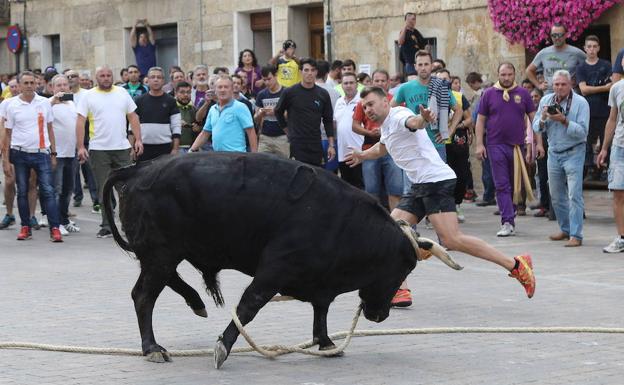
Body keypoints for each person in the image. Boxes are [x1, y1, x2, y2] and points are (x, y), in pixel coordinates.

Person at [346, 86, 536, 306]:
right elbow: (382, 148)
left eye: (371, 104)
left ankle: (516, 265)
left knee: (451, 239)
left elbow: (414, 123)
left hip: (436, 181)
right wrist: (362, 155)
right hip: (420, 184)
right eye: (364, 107)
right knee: (390, 232)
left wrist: (423, 119)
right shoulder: (387, 126)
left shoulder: (399, 115)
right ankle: (401, 289)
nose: (367, 109)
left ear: (385, 102)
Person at [76, 66, 143, 238]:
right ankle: (107, 225)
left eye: (108, 75)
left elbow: (133, 117)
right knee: (104, 189)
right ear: (96, 78)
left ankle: (128, 224)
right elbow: (80, 120)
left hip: (122, 148)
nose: (106, 78)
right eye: (102, 76)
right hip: (99, 149)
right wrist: (81, 147)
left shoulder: (122, 93)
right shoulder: (88, 95)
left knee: (127, 189)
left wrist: (138, 139)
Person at [476, 63, 537, 236]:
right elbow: (480, 121)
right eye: (503, 74)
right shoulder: (488, 94)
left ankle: (512, 211)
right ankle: (507, 221)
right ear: (498, 74)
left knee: (515, 183)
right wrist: (479, 144)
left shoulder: (523, 94)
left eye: (509, 74)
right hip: (495, 145)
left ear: (514, 74)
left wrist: (537, 143)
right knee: (502, 184)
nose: (506, 78)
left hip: (517, 146)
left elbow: (534, 119)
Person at [532, 70, 589, 247]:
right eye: (556, 84)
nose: (559, 87)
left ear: (570, 84)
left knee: (574, 195)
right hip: (554, 152)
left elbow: (583, 133)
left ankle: (576, 235)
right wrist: (542, 118)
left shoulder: (580, 103)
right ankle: (565, 229)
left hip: (574, 152)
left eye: (563, 84)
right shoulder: (546, 100)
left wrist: (564, 120)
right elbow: (535, 127)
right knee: (556, 195)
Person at [3, 71, 63, 242]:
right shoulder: (11, 105)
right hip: (19, 153)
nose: (29, 86)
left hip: (41, 153)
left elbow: (50, 129)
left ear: (37, 84)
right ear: (20, 85)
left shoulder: (44, 103)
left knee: (48, 191)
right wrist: (5, 160)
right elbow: (7, 134)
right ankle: (25, 227)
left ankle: (55, 229)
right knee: (22, 192)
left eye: (32, 83)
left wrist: (53, 154)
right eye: (26, 83)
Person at [391, 50, 462, 166]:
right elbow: (390, 109)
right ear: (415, 66)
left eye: (426, 64)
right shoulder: (405, 88)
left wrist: (450, 131)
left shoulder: (441, 87)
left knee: (439, 183)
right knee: (414, 184)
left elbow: (458, 110)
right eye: (420, 65)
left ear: (431, 65)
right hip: (414, 145)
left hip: (437, 145)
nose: (423, 68)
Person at [352, 69, 404, 210]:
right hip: (370, 147)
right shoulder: (362, 103)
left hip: (392, 150)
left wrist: (384, 131)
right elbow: (355, 125)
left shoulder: (395, 100)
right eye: (377, 80)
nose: (380, 83)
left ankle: (400, 227)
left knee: (396, 190)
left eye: (383, 80)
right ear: (371, 82)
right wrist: (369, 132)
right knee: (371, 192)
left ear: (388, 83)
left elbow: (404, 122)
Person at [275, 58, 335, 167]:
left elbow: (328, 120)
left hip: (316, 143)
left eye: (312, 70)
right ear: (300, 72)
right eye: (306, 70)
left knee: (317, 177)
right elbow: (278, 112)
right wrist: (287, 131)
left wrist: (331, 145)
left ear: (316, 72)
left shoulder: (323, 94)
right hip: (297, 144)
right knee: (299, 178)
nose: (309, 73)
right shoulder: (290, 92)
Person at [576, 35, 613, 181]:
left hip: (605, 109)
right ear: (584, 49)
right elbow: (583, 90)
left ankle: (605, 169)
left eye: (594, 46)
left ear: (598, 48)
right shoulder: (581, 67)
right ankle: (589, 170)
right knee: (586, 143)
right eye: (589, 46)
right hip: (587, 111)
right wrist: (603, 87)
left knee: (606, 141)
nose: (591, 49)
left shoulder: (606, 65)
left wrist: (603, 88)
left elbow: (612, 85)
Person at [189, 76, 257, 153]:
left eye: (226, 87)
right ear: (215, 90)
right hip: (218, 157)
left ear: (231, 89)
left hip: (237, 157)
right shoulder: (213, 109)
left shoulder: (240, 107)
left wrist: (254, 156)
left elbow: (251, 131)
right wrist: (191, 150)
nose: (223, 90)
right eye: (220, 87)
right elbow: (205, 133)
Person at [597, 63, 624, 253]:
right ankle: (622, 237)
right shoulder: (616, 88)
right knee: (618, 192)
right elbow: (613, 119)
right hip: (620, 147)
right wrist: (604, 148)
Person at [48, 74, 80, 235]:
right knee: (56, 190)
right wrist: (53, 100)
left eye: (64, 85)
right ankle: (55, 223)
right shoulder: (48, 104)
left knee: (68, 189)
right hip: (56, 154)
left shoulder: (73, 104)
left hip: (71, 152)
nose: (62, 88)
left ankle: (64, 219)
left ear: (69, 87)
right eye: (58, 85)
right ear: (52, 88)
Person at [134, 67, 181, 161]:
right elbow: (132, 127)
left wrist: (175, 149)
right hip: (143, 148)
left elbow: (176, 127)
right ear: (148, 80)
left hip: (165, 148)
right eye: (153, 77)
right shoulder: (139, 101)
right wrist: (132, 148)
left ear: (163, 80)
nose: (156, 80)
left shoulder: (171, 101)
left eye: (159, 77)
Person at [526, 23, 586, 93]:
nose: (557, 38)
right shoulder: (543, 53)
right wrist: (539, 85)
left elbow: (590, 66)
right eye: (554, 35)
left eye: (560, 35)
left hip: (570, 95)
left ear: (566, 35)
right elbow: (529, 71)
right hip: (549, 95)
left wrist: (580, 82)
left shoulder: (576, 53)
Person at [334, 72, 364, 188]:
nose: (348, 85)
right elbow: (336, 124)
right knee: (347, 188)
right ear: (341, 85)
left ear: (357, 84)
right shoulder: (338, 102)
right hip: (343, 154)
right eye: (345, 83)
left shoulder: (362, 101)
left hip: (360, 152)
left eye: (351, 83)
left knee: (361, 188)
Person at [255, 65, 288, 158]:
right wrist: (260, 113)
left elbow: (293, 114)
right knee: (261, 164)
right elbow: (255, 118)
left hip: (283, 136)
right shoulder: (261, 94)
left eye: (269, 79)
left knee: (285, 166)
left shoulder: (286, 92)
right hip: (265, 137)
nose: (267, 82)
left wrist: (277, 112)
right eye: (264, 80)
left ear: (276, 75)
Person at [315, 60, 341, 172]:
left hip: (313, 137)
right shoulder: (335, 92)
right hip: (331, 138)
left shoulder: (306, 91)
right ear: (326, 74)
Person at [174, 81, 200, 153]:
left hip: (192, 149)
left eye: (188, 92)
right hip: (176, 148)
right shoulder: (171, 108)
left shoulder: (194, 109)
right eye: (182, 92)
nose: (185, 95)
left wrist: (197, 129)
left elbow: (202, 128)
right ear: (176, 93)